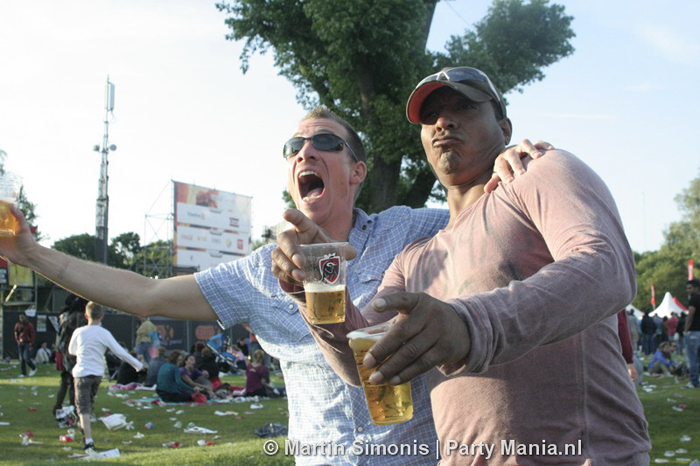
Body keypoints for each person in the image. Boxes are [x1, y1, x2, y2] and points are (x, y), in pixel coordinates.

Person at [0, 110, 545, 465]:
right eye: (294, 146)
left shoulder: (410, 229)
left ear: (356, 172)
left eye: (324, 142)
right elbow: (145, 294)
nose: (305, 152)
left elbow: (482, 212)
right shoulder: (260, 272)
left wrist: (501, 166)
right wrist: (29, 253)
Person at [274, 66, 651, 464]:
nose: (443, 121)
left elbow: (607, 267)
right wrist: (315, 286)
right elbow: (365, 362)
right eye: (430, 116)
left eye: (464, 107)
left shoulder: (539, 172)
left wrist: (469, 325)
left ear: (504, 128)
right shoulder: (414, 257)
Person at [68, 302, 143, 452]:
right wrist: (137, 364)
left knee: (83, 408)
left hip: (82, 372)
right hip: (96, 374)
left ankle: (88, 440)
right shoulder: (104, 333)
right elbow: (119, 351)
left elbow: (72, 350)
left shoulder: (79, 331)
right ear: (102, 316)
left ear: (85, 315)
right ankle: (84, 427)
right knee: (88, 403)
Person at [53, 296, 87, 416]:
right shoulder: (80, 318)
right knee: (74, 382)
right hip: (74, 352)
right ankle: (74, 408)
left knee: (65, 380)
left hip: (63, 351)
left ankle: (58, 405)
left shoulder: (64, 315)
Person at [684, 278, 700, 388]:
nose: (687, 290)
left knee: (693, 358)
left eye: (690, 288)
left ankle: (694, 382)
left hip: (694, 332)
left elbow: (690, 316)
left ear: (696, 288)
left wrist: (685, 330)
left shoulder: (694, 299)